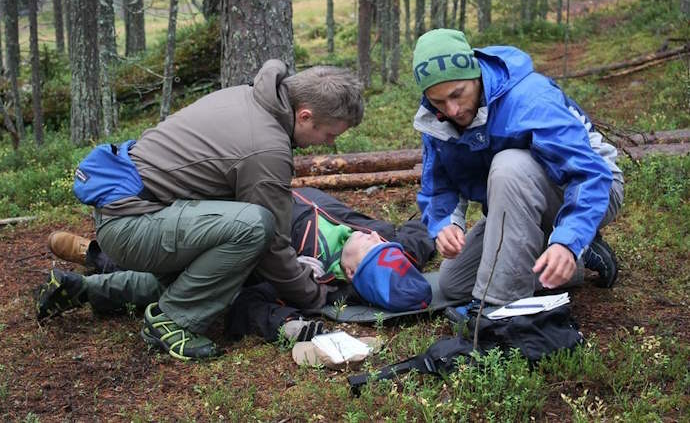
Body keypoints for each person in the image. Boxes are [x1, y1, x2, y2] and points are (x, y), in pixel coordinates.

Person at [43, 61, 365, 361]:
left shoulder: (246, 96)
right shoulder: (266, 147)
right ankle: (170, 322)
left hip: (133, 211)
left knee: (206, 282)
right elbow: (273, 244)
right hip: (133, 224)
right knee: (254, 227)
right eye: (330, 134)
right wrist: (314, 298)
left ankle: (85, 290)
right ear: (305, 115)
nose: (328, 143)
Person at [37, 187, 436, 343]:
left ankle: (89, 267)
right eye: (385, 245)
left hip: (227, 256)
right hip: (235, 206)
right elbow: (417, 236)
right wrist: (444, 225)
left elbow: (255, 306)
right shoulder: (387, 239)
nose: (376, 239)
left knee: (158, 283)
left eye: (371, 249)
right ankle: (95, 252)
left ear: (351, 274)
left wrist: (289, 328)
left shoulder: (317, 281)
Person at [411, 29, 624, 307]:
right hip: (520, 199)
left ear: (476, 75)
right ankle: (575, 258)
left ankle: (500, 307)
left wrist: (568, 239)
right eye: (439, 101)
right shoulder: (437, 118)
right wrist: (445, 225)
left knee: (509, 165)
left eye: (458, 94)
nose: (452, 110)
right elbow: (438, 184)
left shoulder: (529, 98)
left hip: (596, 187)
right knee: (455, 283)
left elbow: (589, 174)